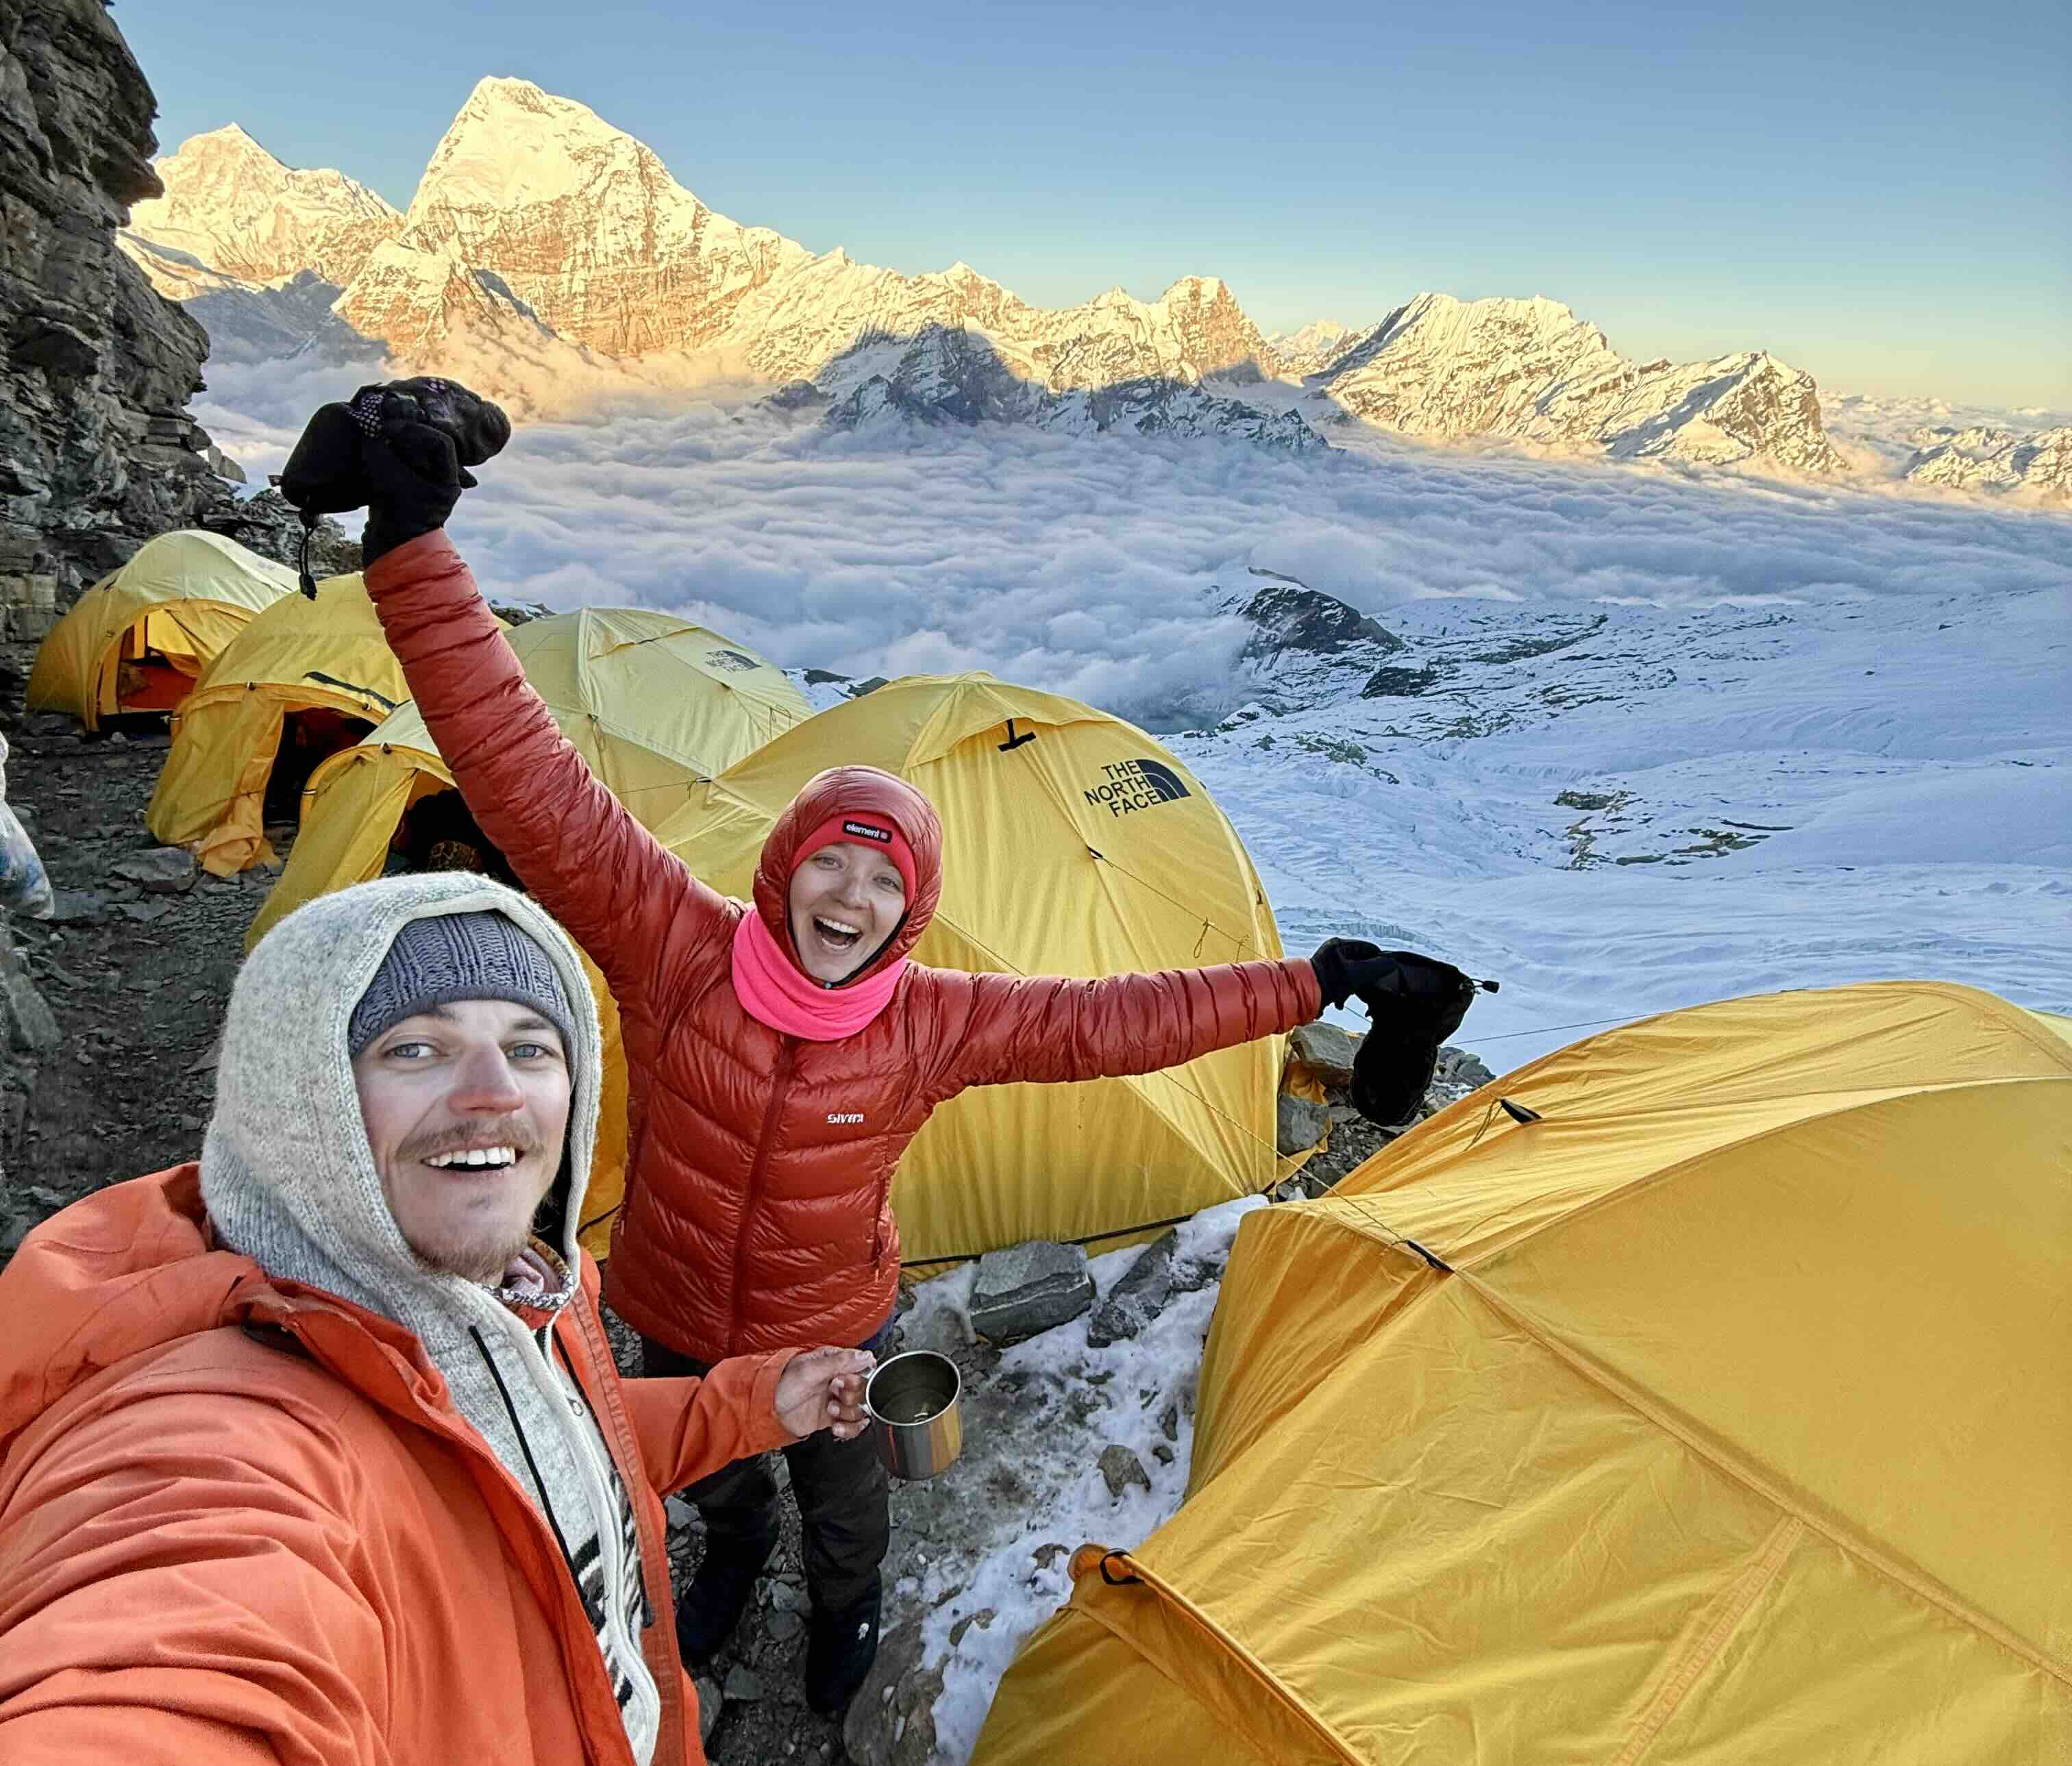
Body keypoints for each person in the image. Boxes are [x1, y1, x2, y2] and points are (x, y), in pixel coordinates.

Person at [319, 384, 1481, 1713]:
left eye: (886, 883)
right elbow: (523, 772)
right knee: (710, 1472)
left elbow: (1119, 1020)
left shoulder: (937, 1021)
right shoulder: (672, 942)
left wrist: (1313, 980)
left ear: (911, 911)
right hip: (673, 1304)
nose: (853, 899)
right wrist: (412, 552)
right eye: (833, 861)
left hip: (830, 1322)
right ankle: (732, 1554)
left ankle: (845, 1596)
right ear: (784, 869)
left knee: (846, 1485)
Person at [0, 871, 874, 1765]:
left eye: (533, 1047)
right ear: (301, 1103)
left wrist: (763, 1398)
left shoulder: (523, 1290)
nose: (493, 1092)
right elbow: (171, 1636)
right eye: (416, 1049)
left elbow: (560, 1440)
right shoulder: (227, 1428)